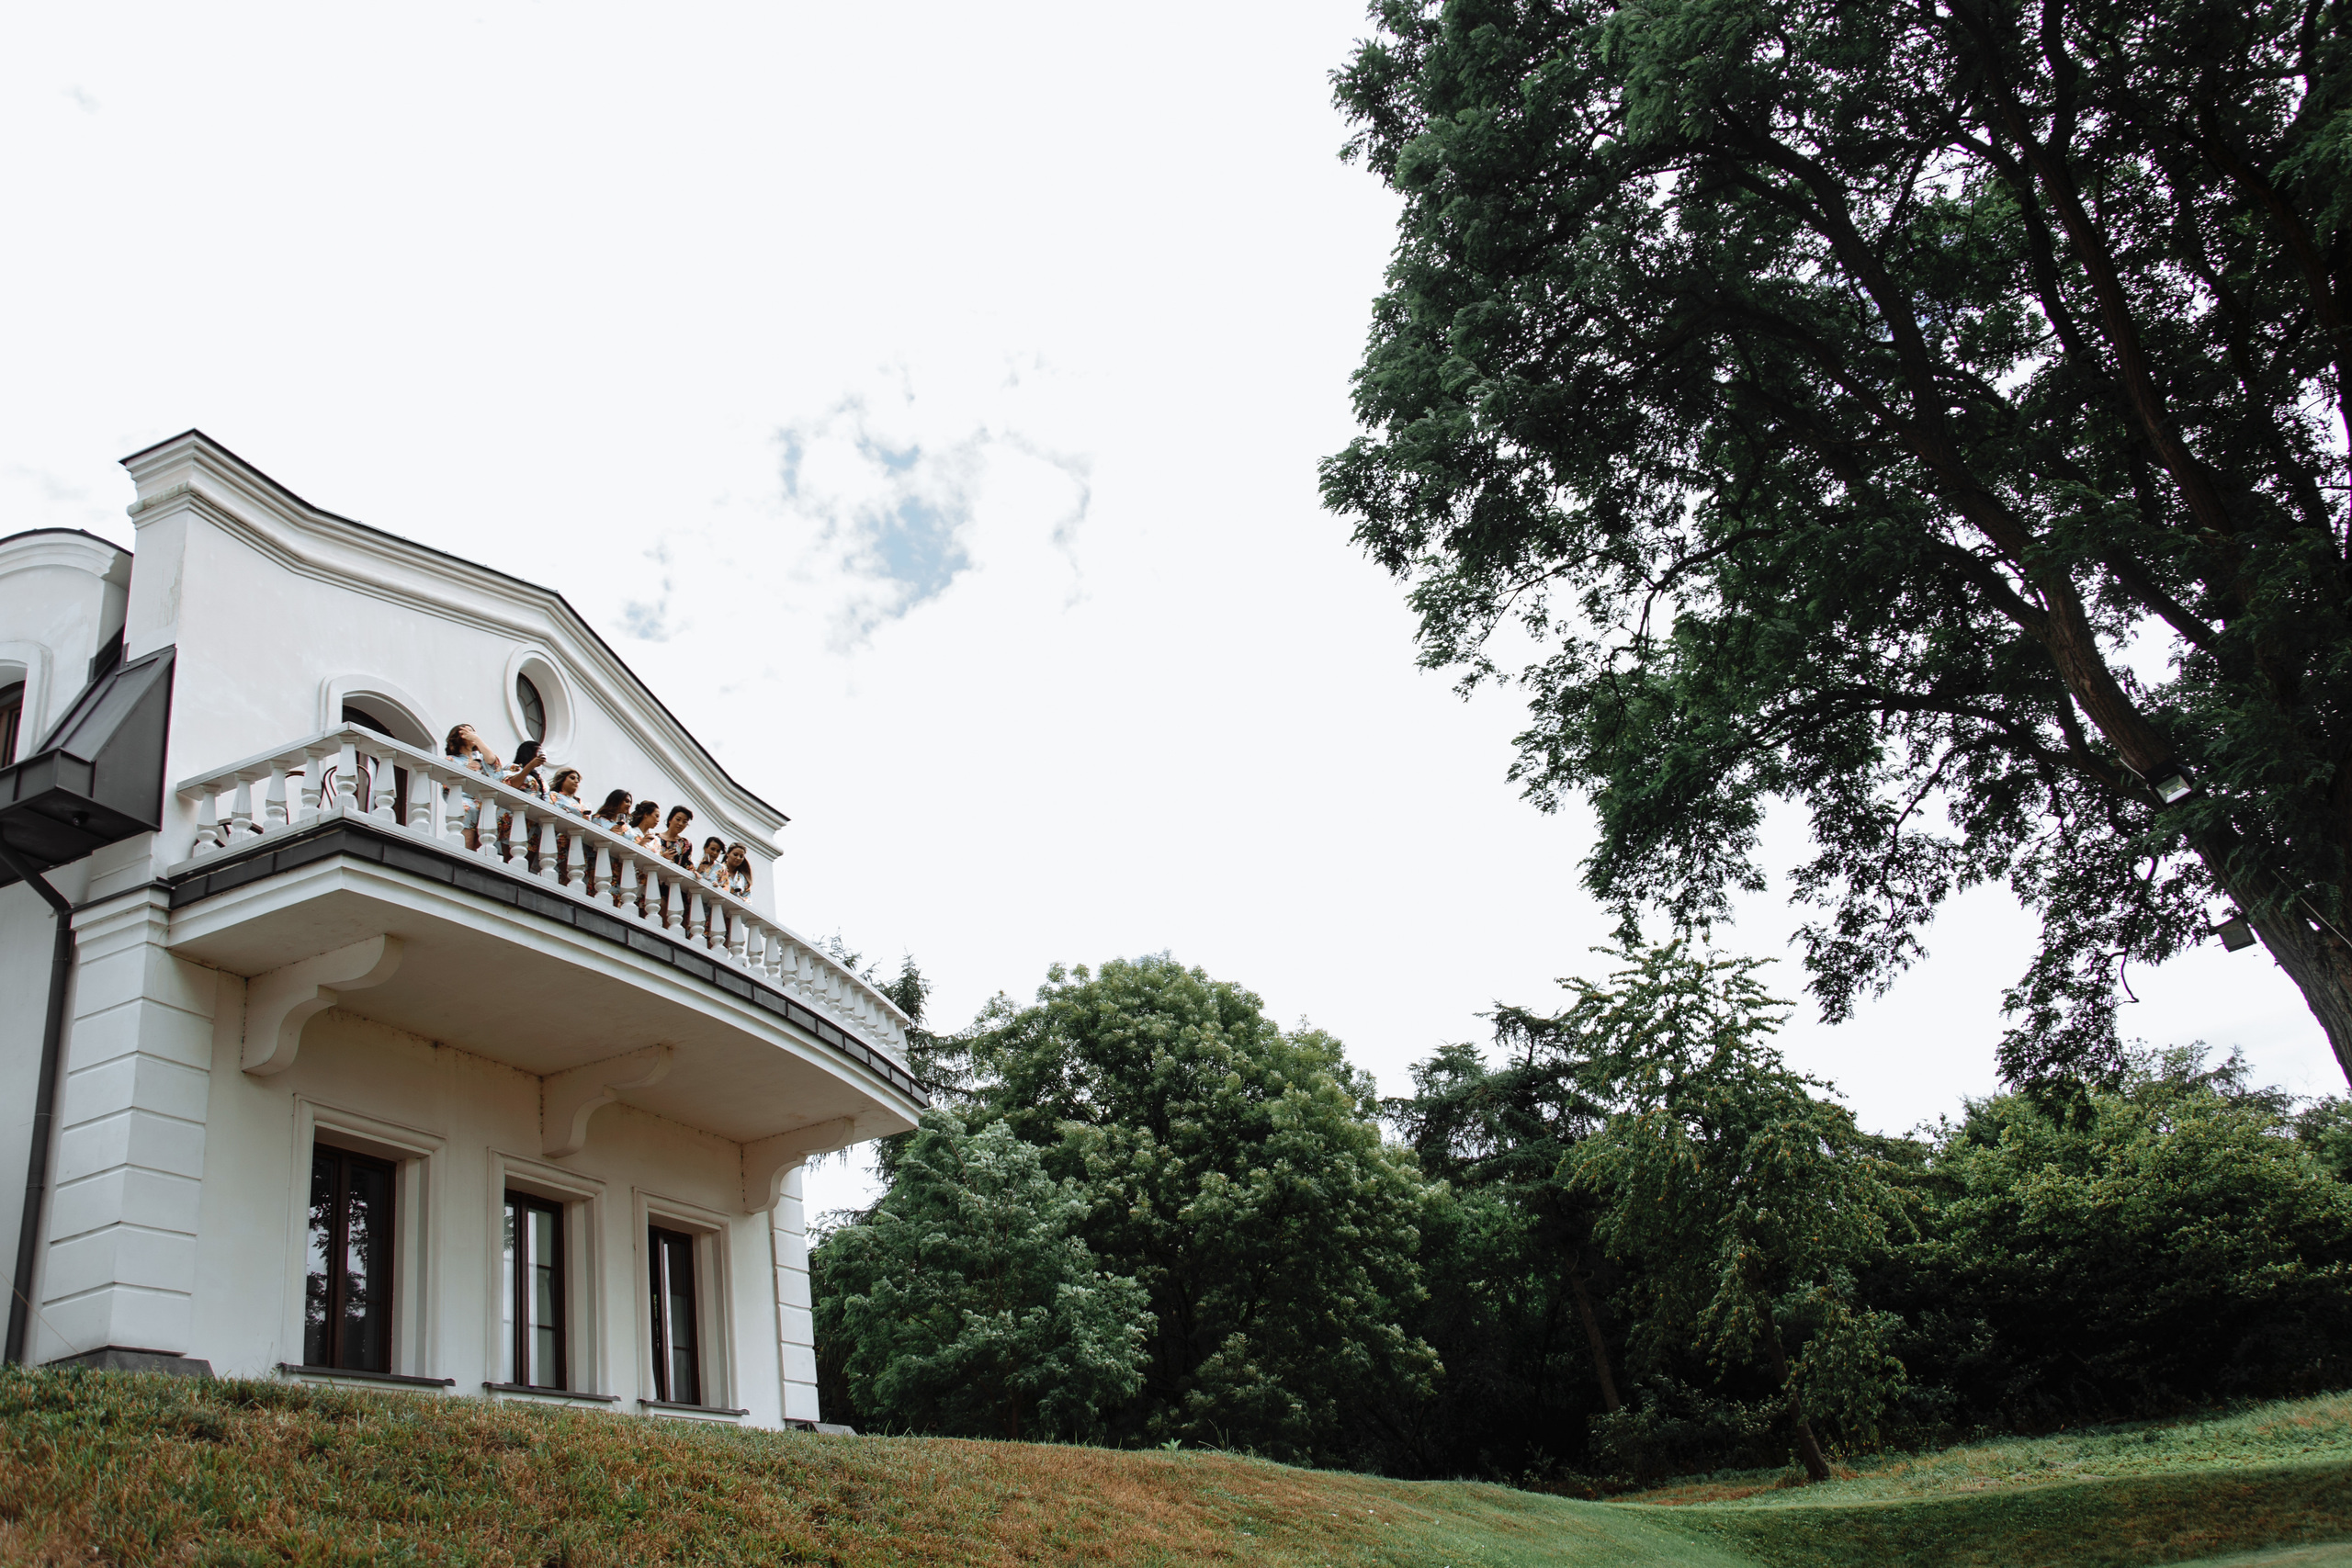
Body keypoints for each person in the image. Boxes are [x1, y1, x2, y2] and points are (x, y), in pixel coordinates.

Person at [443, 723, 502, 852]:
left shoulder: (480, 758)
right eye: (467, 732)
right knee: (466, 843)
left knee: (481, 846)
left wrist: (476, 739)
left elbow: (493, 763)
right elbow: (447, 784)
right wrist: (465, 770)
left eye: (472, 732)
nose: (471, 734)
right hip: (465, 804)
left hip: (483, 805)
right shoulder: (452, 760)